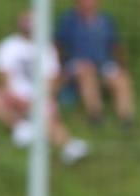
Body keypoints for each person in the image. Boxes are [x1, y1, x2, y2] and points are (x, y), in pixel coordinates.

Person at [0, 11, 90, 165]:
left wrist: (41, 98)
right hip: (12, 96)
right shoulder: (9, 45)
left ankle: (68, 145)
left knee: (48, 119)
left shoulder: (47, 48)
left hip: (38, 98)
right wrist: (12, 96)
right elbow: (2, 77)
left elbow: (52, 80)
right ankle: (20, 127)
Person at [54, 0, 135, 129]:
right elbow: (57, 45)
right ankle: (96, 115)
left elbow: (115, 45)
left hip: (103, 63)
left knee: (121, 78)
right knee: (87, 72)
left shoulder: (106, 21)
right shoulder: (69, 21)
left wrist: (121, 65)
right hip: (77, 64)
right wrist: (59, 67)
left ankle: (126, 118)